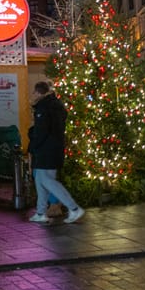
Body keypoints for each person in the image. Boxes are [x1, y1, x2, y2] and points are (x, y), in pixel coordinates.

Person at [27, 81, 85, 224]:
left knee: (47, 181)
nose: (33, 95)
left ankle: (74, 208)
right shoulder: (55, 105)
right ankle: (40, 213)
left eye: (34, 92)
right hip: (53, 149)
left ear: (39, 93)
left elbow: (41, 131)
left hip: (46, 150)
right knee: (40, 181)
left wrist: (32, 146)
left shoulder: (44, 108)